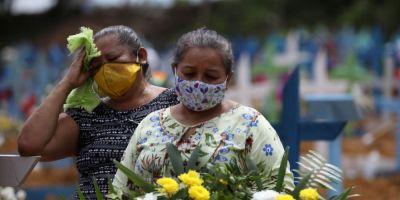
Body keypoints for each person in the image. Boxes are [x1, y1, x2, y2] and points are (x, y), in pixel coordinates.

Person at [113, 28, 294, 194]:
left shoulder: (250, 124)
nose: (198, 83)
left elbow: (280, 190)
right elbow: (120, 191)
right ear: (174, 70)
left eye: (211, 76)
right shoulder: (150, 124)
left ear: (228, 78)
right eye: (190, 74)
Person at [17, 25, 179, 198]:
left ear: (141, 56)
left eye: (112, 58)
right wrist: (67, 83)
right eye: (95, 66)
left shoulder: (173, 103)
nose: (105, 69)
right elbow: (29, 146)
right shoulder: (86, 116)